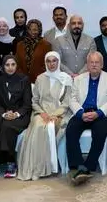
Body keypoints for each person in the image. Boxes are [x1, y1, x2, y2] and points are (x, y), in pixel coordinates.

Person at [16, 51, 72, 180]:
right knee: (38, 126)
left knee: (47, 127)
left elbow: (67, 102)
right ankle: (34, 168)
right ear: (45, 63)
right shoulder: (40, 78)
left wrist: (54, 115)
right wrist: (42, 113)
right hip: (40, 113)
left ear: (58, 62)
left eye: (54, 61)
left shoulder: (66, 79)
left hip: (59, 114)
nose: (51, 64)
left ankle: (45, 168)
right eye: (48, 61)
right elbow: (34, 101)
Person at [66, 52, 107, 185]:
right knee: (71, 130)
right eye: (91, 62)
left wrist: (99, 113)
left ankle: (88, 166)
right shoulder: (78, 79)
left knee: (100, 132)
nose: (94, 65)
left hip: (101, 114)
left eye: (97, 62)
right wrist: (80, 113)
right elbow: (72, 99)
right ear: (87, 65)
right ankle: (78, 165)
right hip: (82, 112)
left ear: (102, 64)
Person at [0, 54, 32, 179]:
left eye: (13, 64)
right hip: (2, 113)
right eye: (7, 65)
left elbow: (27, 104)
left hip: (21, 115)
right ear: (3, 66)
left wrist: (15, 114)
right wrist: (4, 114)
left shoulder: (24, 80)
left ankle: (11, 161)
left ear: (17, 65)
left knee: (7, 126)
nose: (10, 67)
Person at [15, 19, 51, 83]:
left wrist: (40, 76)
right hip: (22, 80)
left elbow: (48, 63)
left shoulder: (46, 45)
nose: (32, 32)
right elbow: (17, 62)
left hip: (40, 80)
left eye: (35, 30)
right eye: (30, 29)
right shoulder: (20, 45)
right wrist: (21, 76)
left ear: (39, 30)